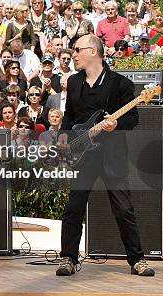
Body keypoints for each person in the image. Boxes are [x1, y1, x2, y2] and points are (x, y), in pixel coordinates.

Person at [56, 34, 154, 277]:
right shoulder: (74, 82)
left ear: (92, 51)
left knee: (123, 208)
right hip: (83, 155)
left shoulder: (120, 84)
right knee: (74, 208)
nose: (73, 55)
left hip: (112, 155)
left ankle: (137, 260)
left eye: (77, 50)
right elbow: (69, 115)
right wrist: (64, 137)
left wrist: (116, 126)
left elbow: (133, 118)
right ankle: (68, 258)